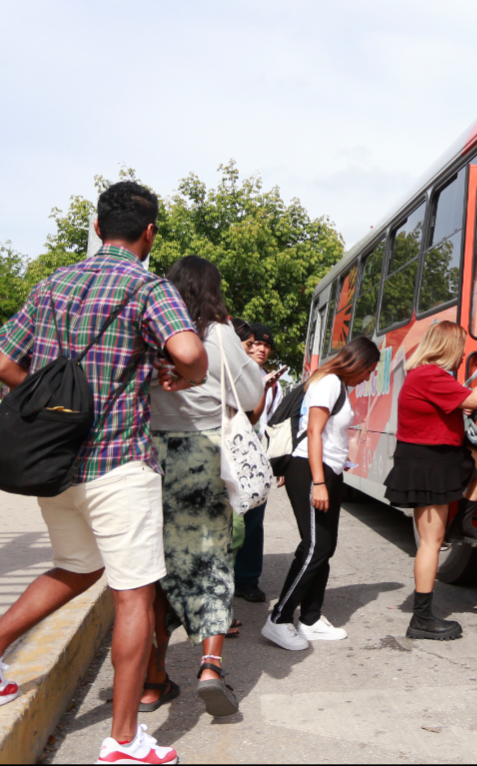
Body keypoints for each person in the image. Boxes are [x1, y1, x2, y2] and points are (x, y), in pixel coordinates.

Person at [0, 182, 206, 766]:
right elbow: (187, 354)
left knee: (78, 566)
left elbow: (5, 364)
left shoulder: (53, 283)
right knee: (134, 594)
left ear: (99, 226)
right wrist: (189, 369)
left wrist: (59, 405)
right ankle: (125, 740)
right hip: (118, 464)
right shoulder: (145, 285)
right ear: (148, 233)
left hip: (57, 466)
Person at [142, 256, 265, 718]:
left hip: (151, 456)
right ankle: (210, 667)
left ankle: (153, 682)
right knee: (211, 558)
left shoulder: (154, 329)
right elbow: (250, 395)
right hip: (205, 455)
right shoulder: (216, 333)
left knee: (155, 571)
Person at [262, 336, 380, 650]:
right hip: (311, 471)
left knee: (325, 547)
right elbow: (313, 431)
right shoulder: (328, 382)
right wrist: (318, 482)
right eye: (369, 370)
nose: (368, 377)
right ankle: (279, 618)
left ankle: (311, 619)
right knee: (315, 547)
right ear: (358, 363)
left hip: (327, 470)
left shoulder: (337, 385)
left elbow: (327, 435)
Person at [384, 321, 477, 641]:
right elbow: (474, 401)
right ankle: (421, 619)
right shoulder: (429, 375)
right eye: (460, 348)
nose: (463, 356)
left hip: (443, 457)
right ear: (447, 347)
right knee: (431, 544)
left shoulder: (428, 375)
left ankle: (460, 521)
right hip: (428, 464)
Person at [233, 320, 287, 604]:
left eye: (266, 345)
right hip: (228, 455)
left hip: (256, 461)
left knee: (254, 521)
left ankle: (247, 580)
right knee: (227, 521)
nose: (260, 349)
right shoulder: (232, 374)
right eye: (255, 343)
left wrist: (279, 464)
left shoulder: (272, 383)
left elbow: (273, 424)